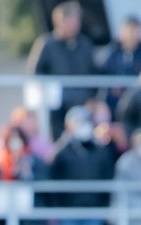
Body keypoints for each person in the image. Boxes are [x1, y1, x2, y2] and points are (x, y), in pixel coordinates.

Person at [28, 1, 98, 142]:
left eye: (76, 20)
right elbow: (36, 72)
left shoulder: (85, 44)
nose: (74, 24)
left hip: (82, 104)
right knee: (59, 142)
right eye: (71, 20)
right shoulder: (47, 44)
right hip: (57, 107)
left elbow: (94, 72)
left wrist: (92, 98)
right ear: (59, 21)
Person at [49, 104, 115, 221]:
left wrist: (103, 205)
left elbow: (106, 176)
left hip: (94, 209)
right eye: (79, 122)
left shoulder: (100, 151)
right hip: (69, 210)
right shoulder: (62, 151)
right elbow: (54, 179)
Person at [101, 15, 141, 119]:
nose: (133, 35)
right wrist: (112, 84)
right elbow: (103, 72)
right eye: (130, 31)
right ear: (122, 32)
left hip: (139, 100)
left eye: (136, 31)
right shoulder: (111, 52)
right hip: (113, 100)